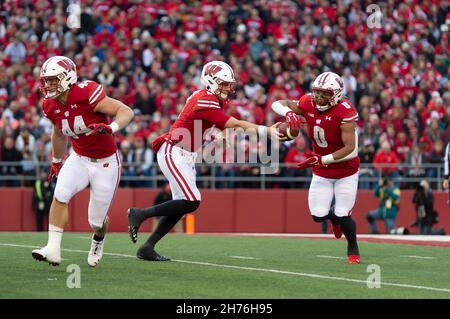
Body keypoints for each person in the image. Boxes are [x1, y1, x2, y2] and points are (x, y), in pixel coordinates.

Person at [127, 60, 282, 261]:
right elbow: (233, 122)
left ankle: (147, 247)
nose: (227, 88)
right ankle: (140, 214)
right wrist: (267, 130)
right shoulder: (206, 99)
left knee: (182, 204)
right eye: (223, 83)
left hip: (185, 154)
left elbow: (213, 121)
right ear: (210, 81)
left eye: (228, 84)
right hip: (174, 151)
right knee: (191, 201)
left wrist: (221, 132)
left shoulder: (209, 98)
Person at [31, 56, 134, 266]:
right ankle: (53, 249)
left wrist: (111, 127)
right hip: (78, 158)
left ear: (68, 77)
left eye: (53, 79)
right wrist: (56, 160)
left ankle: (98, 239)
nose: (48, 84)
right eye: (46, 80)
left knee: (96, 222)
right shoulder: (49, 104)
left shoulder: (86, 92)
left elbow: (125, 111)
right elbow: (59, 132)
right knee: (60, 194)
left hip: (106, 163)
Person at [272, 71, 361, 264]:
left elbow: (351, 149)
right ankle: (334, 221)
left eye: (325, 94)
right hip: (321, 170)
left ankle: (353, 247)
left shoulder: (345, 110)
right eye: (317, 92)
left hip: (346, 170)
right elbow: (277, 103)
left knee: (342, 212)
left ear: (337, 94)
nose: (319, 97)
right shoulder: (307, 102)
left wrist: (323, 159)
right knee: (318, 215)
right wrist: (288, 113)